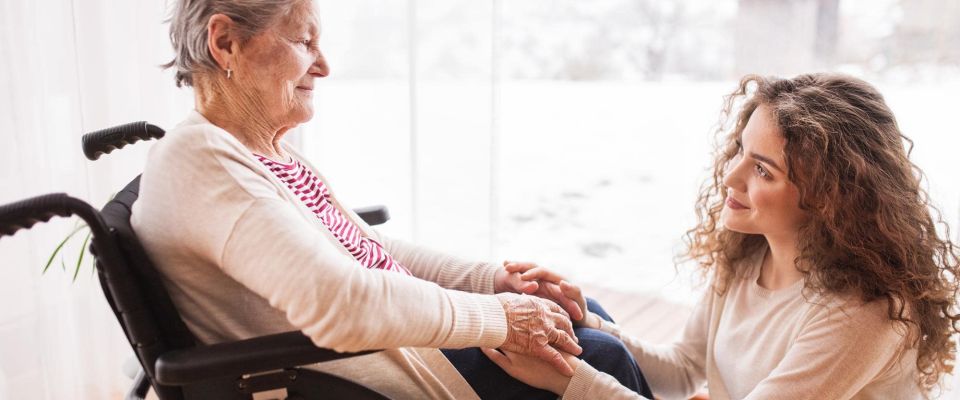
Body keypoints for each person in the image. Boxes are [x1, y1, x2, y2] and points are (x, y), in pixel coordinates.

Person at [132, 0, 649, 398]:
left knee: (581, 313)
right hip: (380, 371)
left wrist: (491, 282)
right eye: (304, 40)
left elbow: (367, 246)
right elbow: (342, 302)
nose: (324, 65)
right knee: (599, 356)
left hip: (409, 342)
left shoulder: (259, 151)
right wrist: (502, 318)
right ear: (225, 42)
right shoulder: (199, 159)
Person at [484, 73, 960, 399]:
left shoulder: (865, 311)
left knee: (595, 354)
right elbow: (682, 369)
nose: (731, 178)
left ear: (830, 197)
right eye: (740, 152)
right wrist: (582, 316)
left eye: (762, 170)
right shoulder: (748, 256)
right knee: (587, 321)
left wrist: (570, 382)